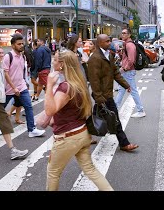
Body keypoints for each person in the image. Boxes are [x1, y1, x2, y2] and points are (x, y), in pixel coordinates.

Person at [36, 50, 113, 191]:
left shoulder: (65, 87)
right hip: (82, 133)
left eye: (55, 60)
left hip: (68, 137)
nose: (52, 62)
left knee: (53, 172)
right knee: (90, 169)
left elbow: (50, 110)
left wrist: (48, 85)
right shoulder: (78, 83)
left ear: (62, 65)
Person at [87, 34, 139, 152]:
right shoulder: (95, 59)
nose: (109, 43)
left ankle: (85, 137)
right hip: (103, 96)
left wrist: (126, 85)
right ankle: (124, 143)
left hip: (107, 94)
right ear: (99, 43)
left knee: (95, 118)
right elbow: (94, 80)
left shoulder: (109, 55)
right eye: (106, 41)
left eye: (109, 41)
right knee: (114, 118)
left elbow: (115, 73)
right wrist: (99, 98)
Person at [0, 33, 45, 138]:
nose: (21, 45)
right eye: (19, 44)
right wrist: (13, 87)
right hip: (10, 88)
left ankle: (32, 130)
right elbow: (6, 73)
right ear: (13, 45)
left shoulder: (23, 56)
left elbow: (22, 71)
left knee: (28, 106)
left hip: (22, 87)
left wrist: (25, 83)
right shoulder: (8, 56)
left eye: (22, 43)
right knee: (2, 107)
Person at [114, 28, 146, 118]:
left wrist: (124, 68)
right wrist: (119, 52)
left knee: (133, 91)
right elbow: (125, 58)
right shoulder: (125, 44)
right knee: (122, 90)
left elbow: (131, 60)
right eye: (122, 33)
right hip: (126, 71)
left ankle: (141, 110)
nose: (122, 35)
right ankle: (115, 109)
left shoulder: (130, 45)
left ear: (129, 35)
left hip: (128, 72)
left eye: (124, 33)